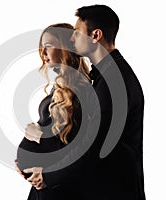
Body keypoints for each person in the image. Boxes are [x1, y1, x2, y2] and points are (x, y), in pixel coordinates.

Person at [21, 5, 147, 200]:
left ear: (95, 35)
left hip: (115, 190)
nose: (71, 38)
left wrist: (48, 174)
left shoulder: (115, 82)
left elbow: (92, 145)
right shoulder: (106, 78)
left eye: (77, 33)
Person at [15, 23, 92, 200]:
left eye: (48, 46)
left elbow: (75, 147)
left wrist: (38, 136)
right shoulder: (60, 86)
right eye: (42, 48)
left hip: (57, 188)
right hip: (42, 185)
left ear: (65, 48)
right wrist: (24, 160)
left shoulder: (81, 90)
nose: (43, 54)